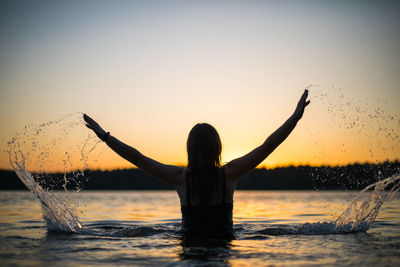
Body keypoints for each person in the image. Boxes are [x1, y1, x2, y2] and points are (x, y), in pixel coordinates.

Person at [83, 90, 310, 238]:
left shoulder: (181, 179)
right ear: (218, 148)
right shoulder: (228, 175)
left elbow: (138, 158)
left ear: (189, 149)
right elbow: (267, 146)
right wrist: (294, 118)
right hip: (224, 247)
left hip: (188, 250)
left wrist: (105, 136)